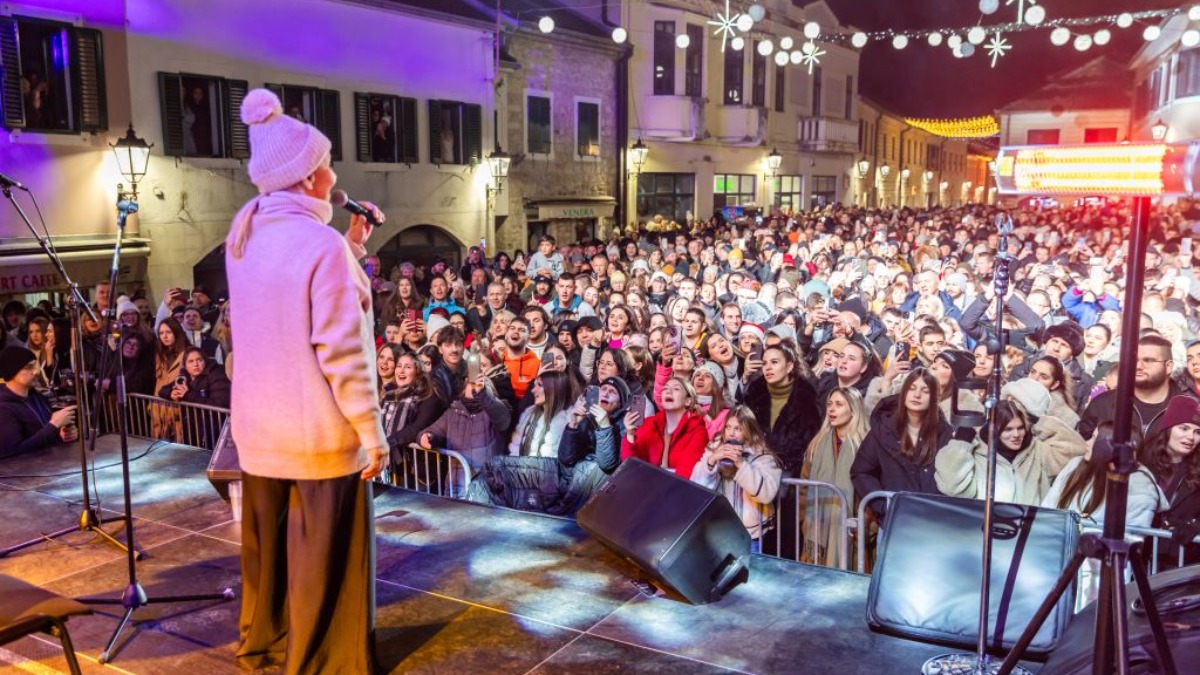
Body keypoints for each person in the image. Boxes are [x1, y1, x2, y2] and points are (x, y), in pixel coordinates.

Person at [225, 88, 385, 673]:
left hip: (259, 431)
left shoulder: (243, 236)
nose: (335, 175)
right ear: (311, 177)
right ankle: (319, 662)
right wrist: (371, 432)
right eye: (328, 163)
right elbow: (341, 352)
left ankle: (265, 644)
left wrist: (350, 248)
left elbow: (283, 307)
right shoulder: (320, 247)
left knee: (268, 562)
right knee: (325, 563)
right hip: (316, 435)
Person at [935, 399, 1087, 506]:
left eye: (1020, 428)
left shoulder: (1037, 451)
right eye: (1008, 429)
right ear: (994, 430)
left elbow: (1078, 449)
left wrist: (1040, 422)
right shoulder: (976, 453)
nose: (1016, 434)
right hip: (985, 531)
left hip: (1028, 533)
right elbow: (951, 487)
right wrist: (961, 444)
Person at [851, 368, 953, 518]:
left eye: (925, 391)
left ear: (934, 398)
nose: (917, 395)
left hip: (933, 519)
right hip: (894, 519)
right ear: (904, 393)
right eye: (912, 388)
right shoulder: (883, 429)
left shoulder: (945, 433)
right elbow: (861, 471)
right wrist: (884, 505)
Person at [691, 405, 782, 551]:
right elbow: (697, 487)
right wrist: (711, 461)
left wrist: (741, 464)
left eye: (738, 429)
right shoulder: (714, 448)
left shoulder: (761, 455)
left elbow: (766, 494)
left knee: (748, 566)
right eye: (728, 427)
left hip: (748, 535)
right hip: (717, 530)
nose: (731, 433)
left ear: (748, 430)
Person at [801, 387, 870, 569]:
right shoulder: (817, 443)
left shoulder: (866, 445)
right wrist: (804, 521)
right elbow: (804, 484)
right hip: (817, 528)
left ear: (854, 410)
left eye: (839, 404)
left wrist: (866, 526)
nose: (831, 409)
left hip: (853, 532)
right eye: (829, 404)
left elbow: (872, 492)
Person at [1079, 335, 1186, 440]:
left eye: (1148, 360)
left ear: (1168, 366)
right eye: (1134, 360)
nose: (1138, 366)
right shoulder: (1103, 403)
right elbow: (1083, 444)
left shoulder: (1186, 409)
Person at [739, 344, 821, 476]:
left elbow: (811, 446)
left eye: (774, 362)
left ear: (789, 367)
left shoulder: (807, 399)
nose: (768, 367)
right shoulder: (753, 395)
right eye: (764, 363)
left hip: (791, 476)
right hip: (754, 471)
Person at [1141, 395, 1200, 568]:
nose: (1191, 437)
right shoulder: (1142, 461)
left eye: (1198, 432)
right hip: (1138, 560)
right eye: (1184, 428)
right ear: (1168, 428)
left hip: (1178, 565)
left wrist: (1196, 526)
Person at [622, 375, 708, 479]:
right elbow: (630, 467)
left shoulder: (698, 431)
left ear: (688, 401)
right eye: (665, 388)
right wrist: (630, 434)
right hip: (645, 483)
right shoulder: (650, 423)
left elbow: (686, 474)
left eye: (676, 389)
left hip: (676, 487)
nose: (668, 391)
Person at [0, 346, 78, 457]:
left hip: (51, 463)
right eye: (28, 367)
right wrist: (53, 426)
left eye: (35, 365)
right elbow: (13, 453)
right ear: (11, 372)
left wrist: (61, 434)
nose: (36, 372)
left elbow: (44, 434)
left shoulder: (37, 397)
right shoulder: (4, 408)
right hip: (29, 467)